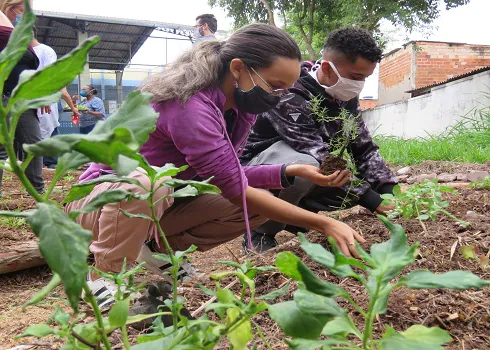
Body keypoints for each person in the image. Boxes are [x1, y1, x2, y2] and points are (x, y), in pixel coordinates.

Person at [65, 24, 364, 309]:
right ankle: (104, 277)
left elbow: (227, 174)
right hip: (99, 204)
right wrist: (325, 223)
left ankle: (154, 252)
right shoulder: (189, 105)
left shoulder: (237, 108)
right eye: (274, 86)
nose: (279, 96)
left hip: (160, 201)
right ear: (237, 68)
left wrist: (289, 172)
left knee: (262, 203)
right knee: (149, 183)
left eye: (285, 89)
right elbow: (236, 189)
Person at [240, 28, 397, 252]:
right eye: (355, 77)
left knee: (352, 191)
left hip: (305, 168)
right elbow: (318, 154)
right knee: (311, 167)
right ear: (326, 67)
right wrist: (371, 200)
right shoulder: (289, 92)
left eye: (365, 78)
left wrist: (387, 189)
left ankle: (295, 219)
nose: (359, 85)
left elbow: (363, 146)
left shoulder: (345, 98)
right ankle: (260, 231)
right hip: (259, 170)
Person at [0, 0, 44, 194]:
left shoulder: (20, 33)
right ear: (8, 6)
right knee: (1, 149)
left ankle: (39, 193)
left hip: (22, 98)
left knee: (34, 145)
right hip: (3, 95)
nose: (24, 16)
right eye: (21, 11)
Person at [31, 29, 80, 168]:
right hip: (31, 103)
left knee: (49, 131)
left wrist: (73, 108)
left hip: (46, 104)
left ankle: (50, 164)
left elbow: (60, 88)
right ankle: (45, 164)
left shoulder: (45, 51)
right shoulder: (23, 52)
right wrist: (74, 109)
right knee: (43, 134)